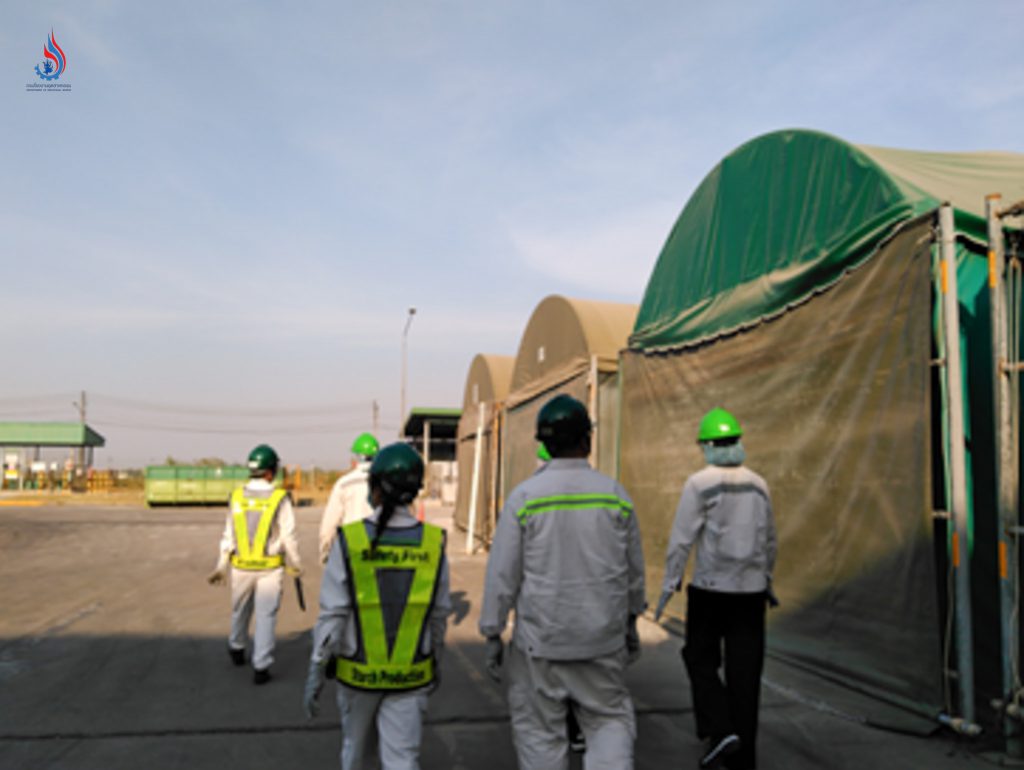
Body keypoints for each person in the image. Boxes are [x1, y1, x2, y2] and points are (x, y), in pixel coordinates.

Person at [480, 394, 645, 770]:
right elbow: (633, 570)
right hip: (602, 641)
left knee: (540, 735)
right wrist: (631, 620)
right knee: (608, 722)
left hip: (541, 646)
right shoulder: (615, 496)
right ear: (587, 440)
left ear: (544, 443)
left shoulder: (524, 498)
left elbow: (502, 575)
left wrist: (492, 633)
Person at [304, 442, 451, 770]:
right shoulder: (432, 542)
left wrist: (317, 668)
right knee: (402, 760)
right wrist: (435, 660)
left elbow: (333, 615)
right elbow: (439, 615)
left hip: (357, 678)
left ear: (375, 490)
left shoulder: (351, 540)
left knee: (355, 754)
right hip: (411, 677)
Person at [654, 408, 778, 770]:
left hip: (711, 591)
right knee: (745, 674)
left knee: (699, 658)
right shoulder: (759, 483)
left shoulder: (699, 483)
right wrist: (766, 580)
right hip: (751, 595)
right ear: (738, 441)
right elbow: (770, 539)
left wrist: (668, 587)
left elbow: (681, 540)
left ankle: (720, 730)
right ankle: (743, 760)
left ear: (706, 445)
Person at [207, 443, 303, 684]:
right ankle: (261, 666)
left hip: (240, 566)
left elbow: (228, 534)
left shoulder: (236, 496)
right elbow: (288, 535)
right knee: (266, 615)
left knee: (240, 608)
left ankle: (237, 647)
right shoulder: (280, 498)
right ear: (270, 472)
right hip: (270, 568)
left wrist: (222, 564)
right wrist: (297, 562)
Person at [319, 432, 379, 564]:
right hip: (379, 550)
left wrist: (325, 552)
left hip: (352, 548)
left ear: (356, 457)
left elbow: (329, 524)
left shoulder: (344, 483)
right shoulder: (385, 482)